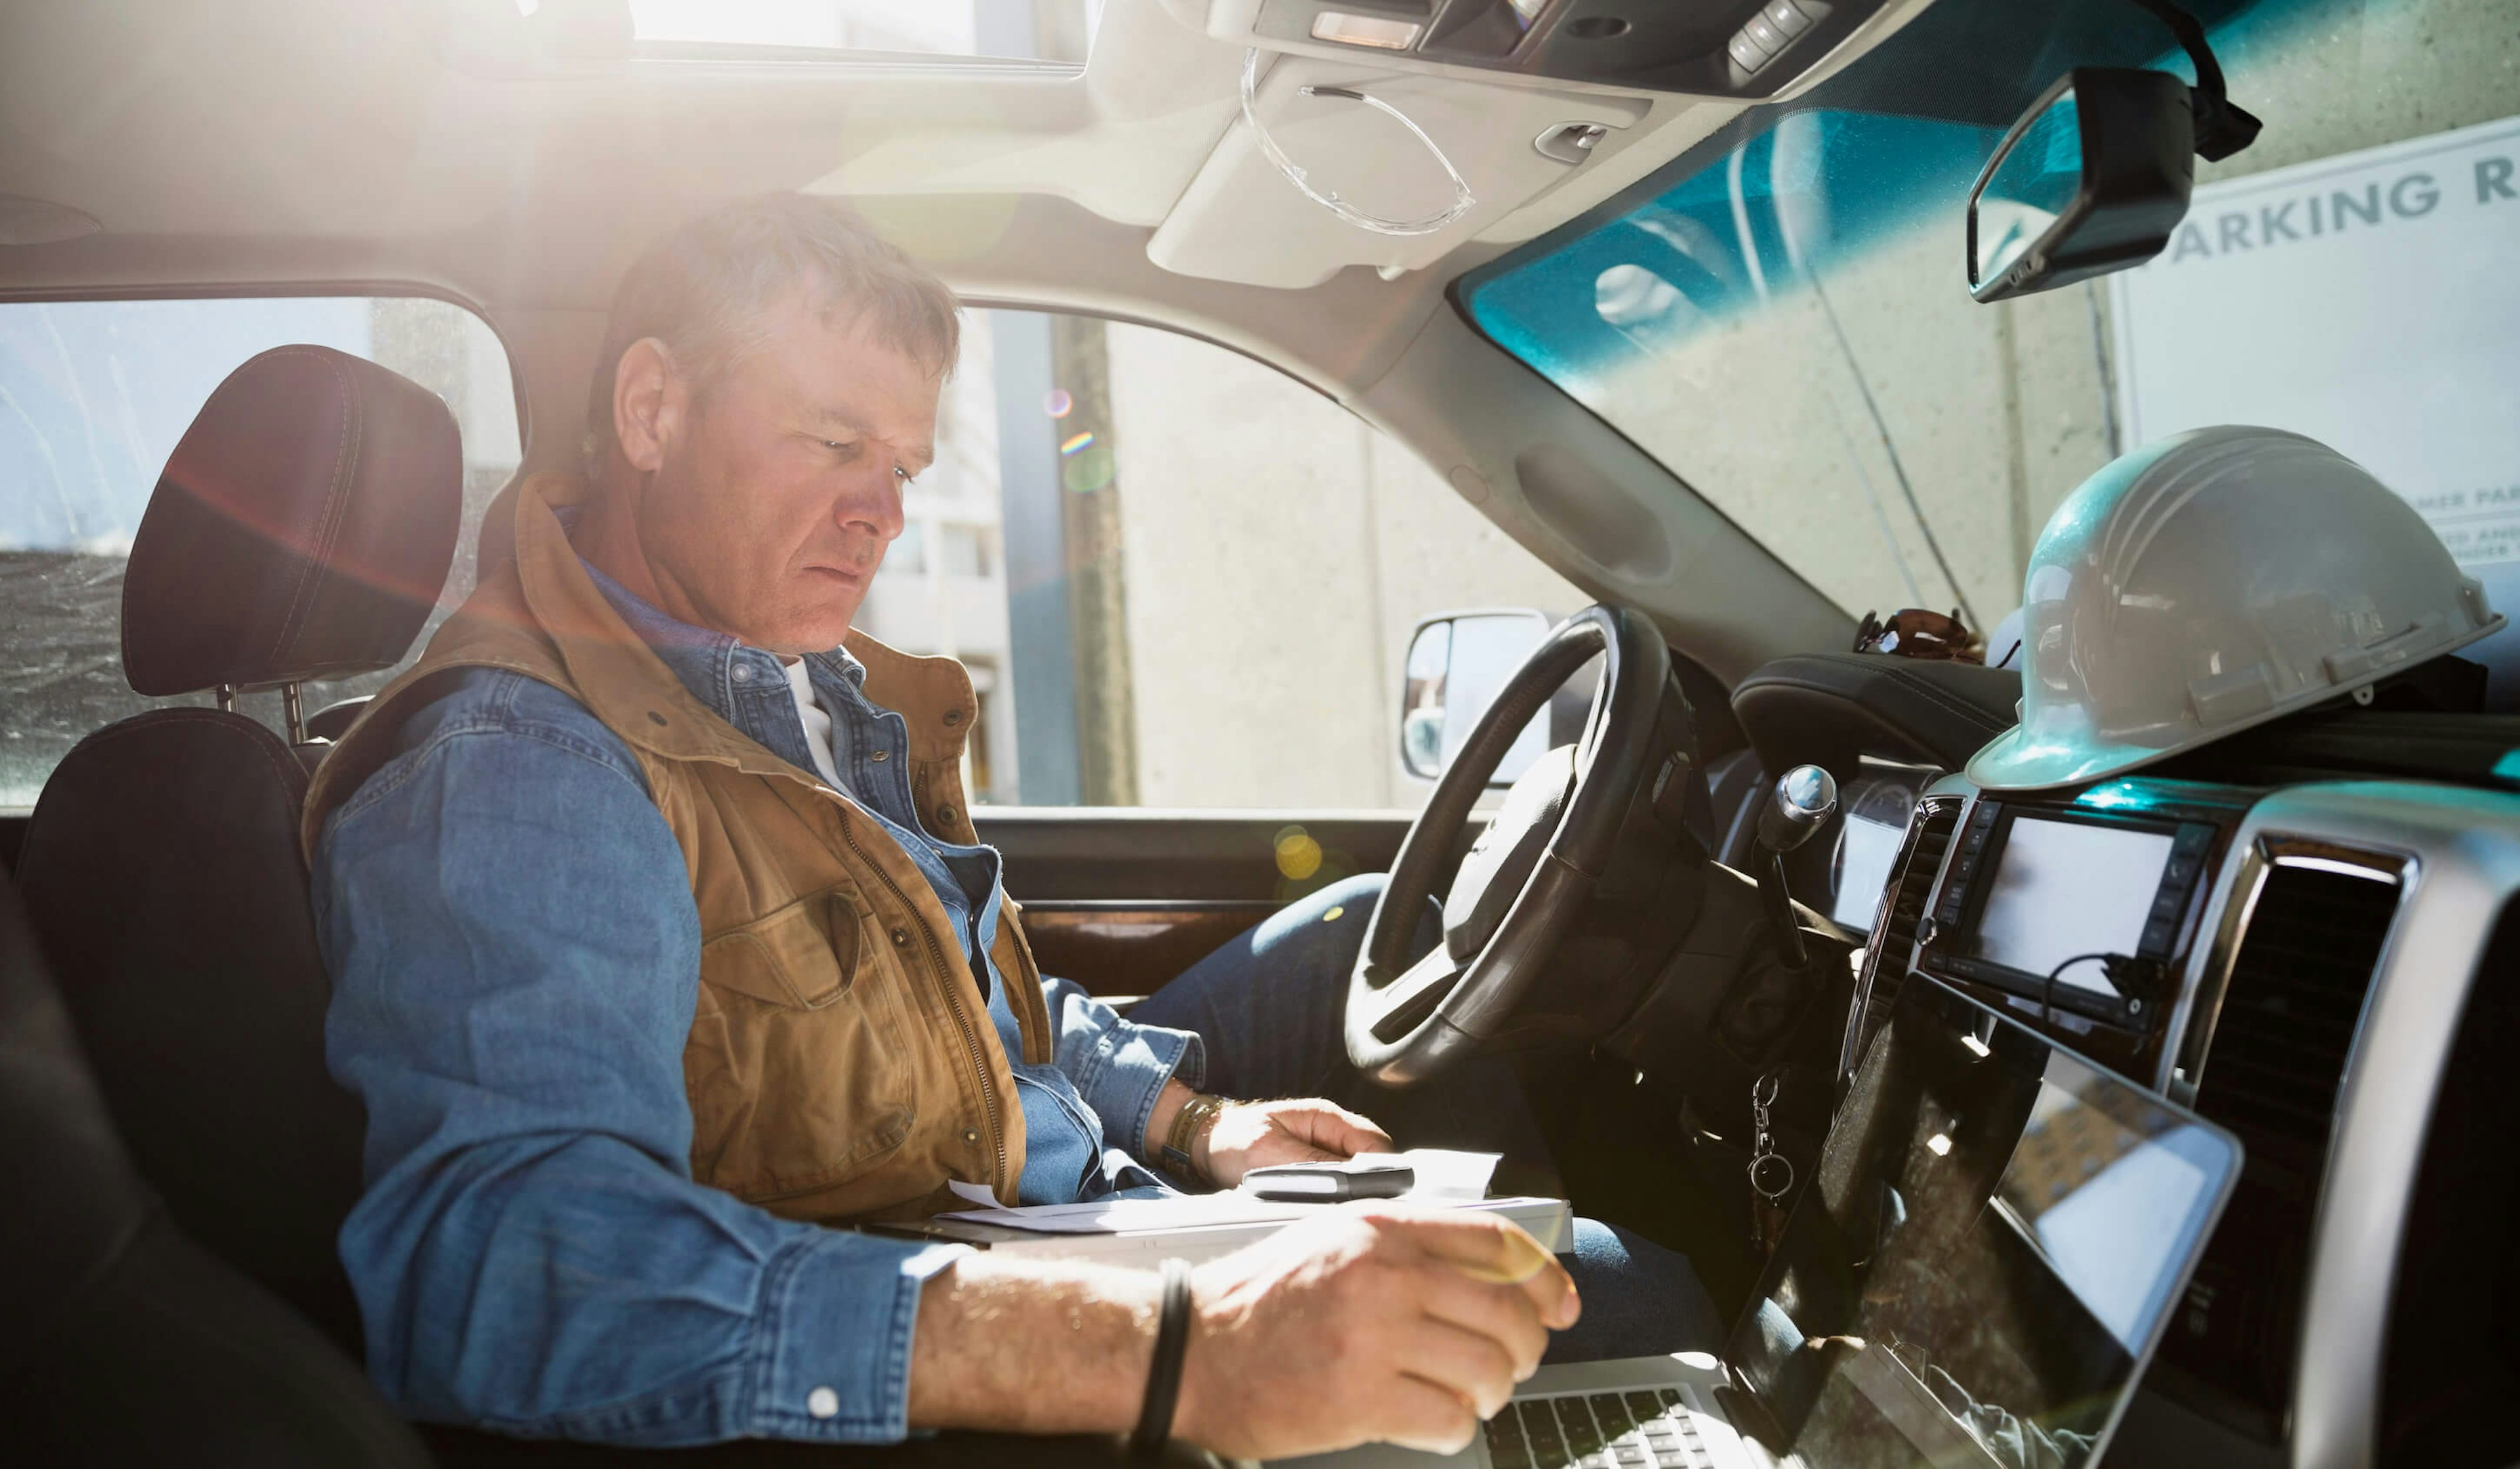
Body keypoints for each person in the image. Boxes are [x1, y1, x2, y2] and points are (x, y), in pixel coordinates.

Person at [304, 192, 1717, 1460]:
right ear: (654, 411)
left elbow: (978, 998)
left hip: (1042, 1185)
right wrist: (1181, 1348)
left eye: (905, 470)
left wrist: (1197, 1122)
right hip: (986, 1281)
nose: (881, 518)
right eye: (834, 443)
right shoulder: (521, 765)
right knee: (1638, 1289)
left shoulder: (781, 676)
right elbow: (502, 1261)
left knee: (1349, 932)